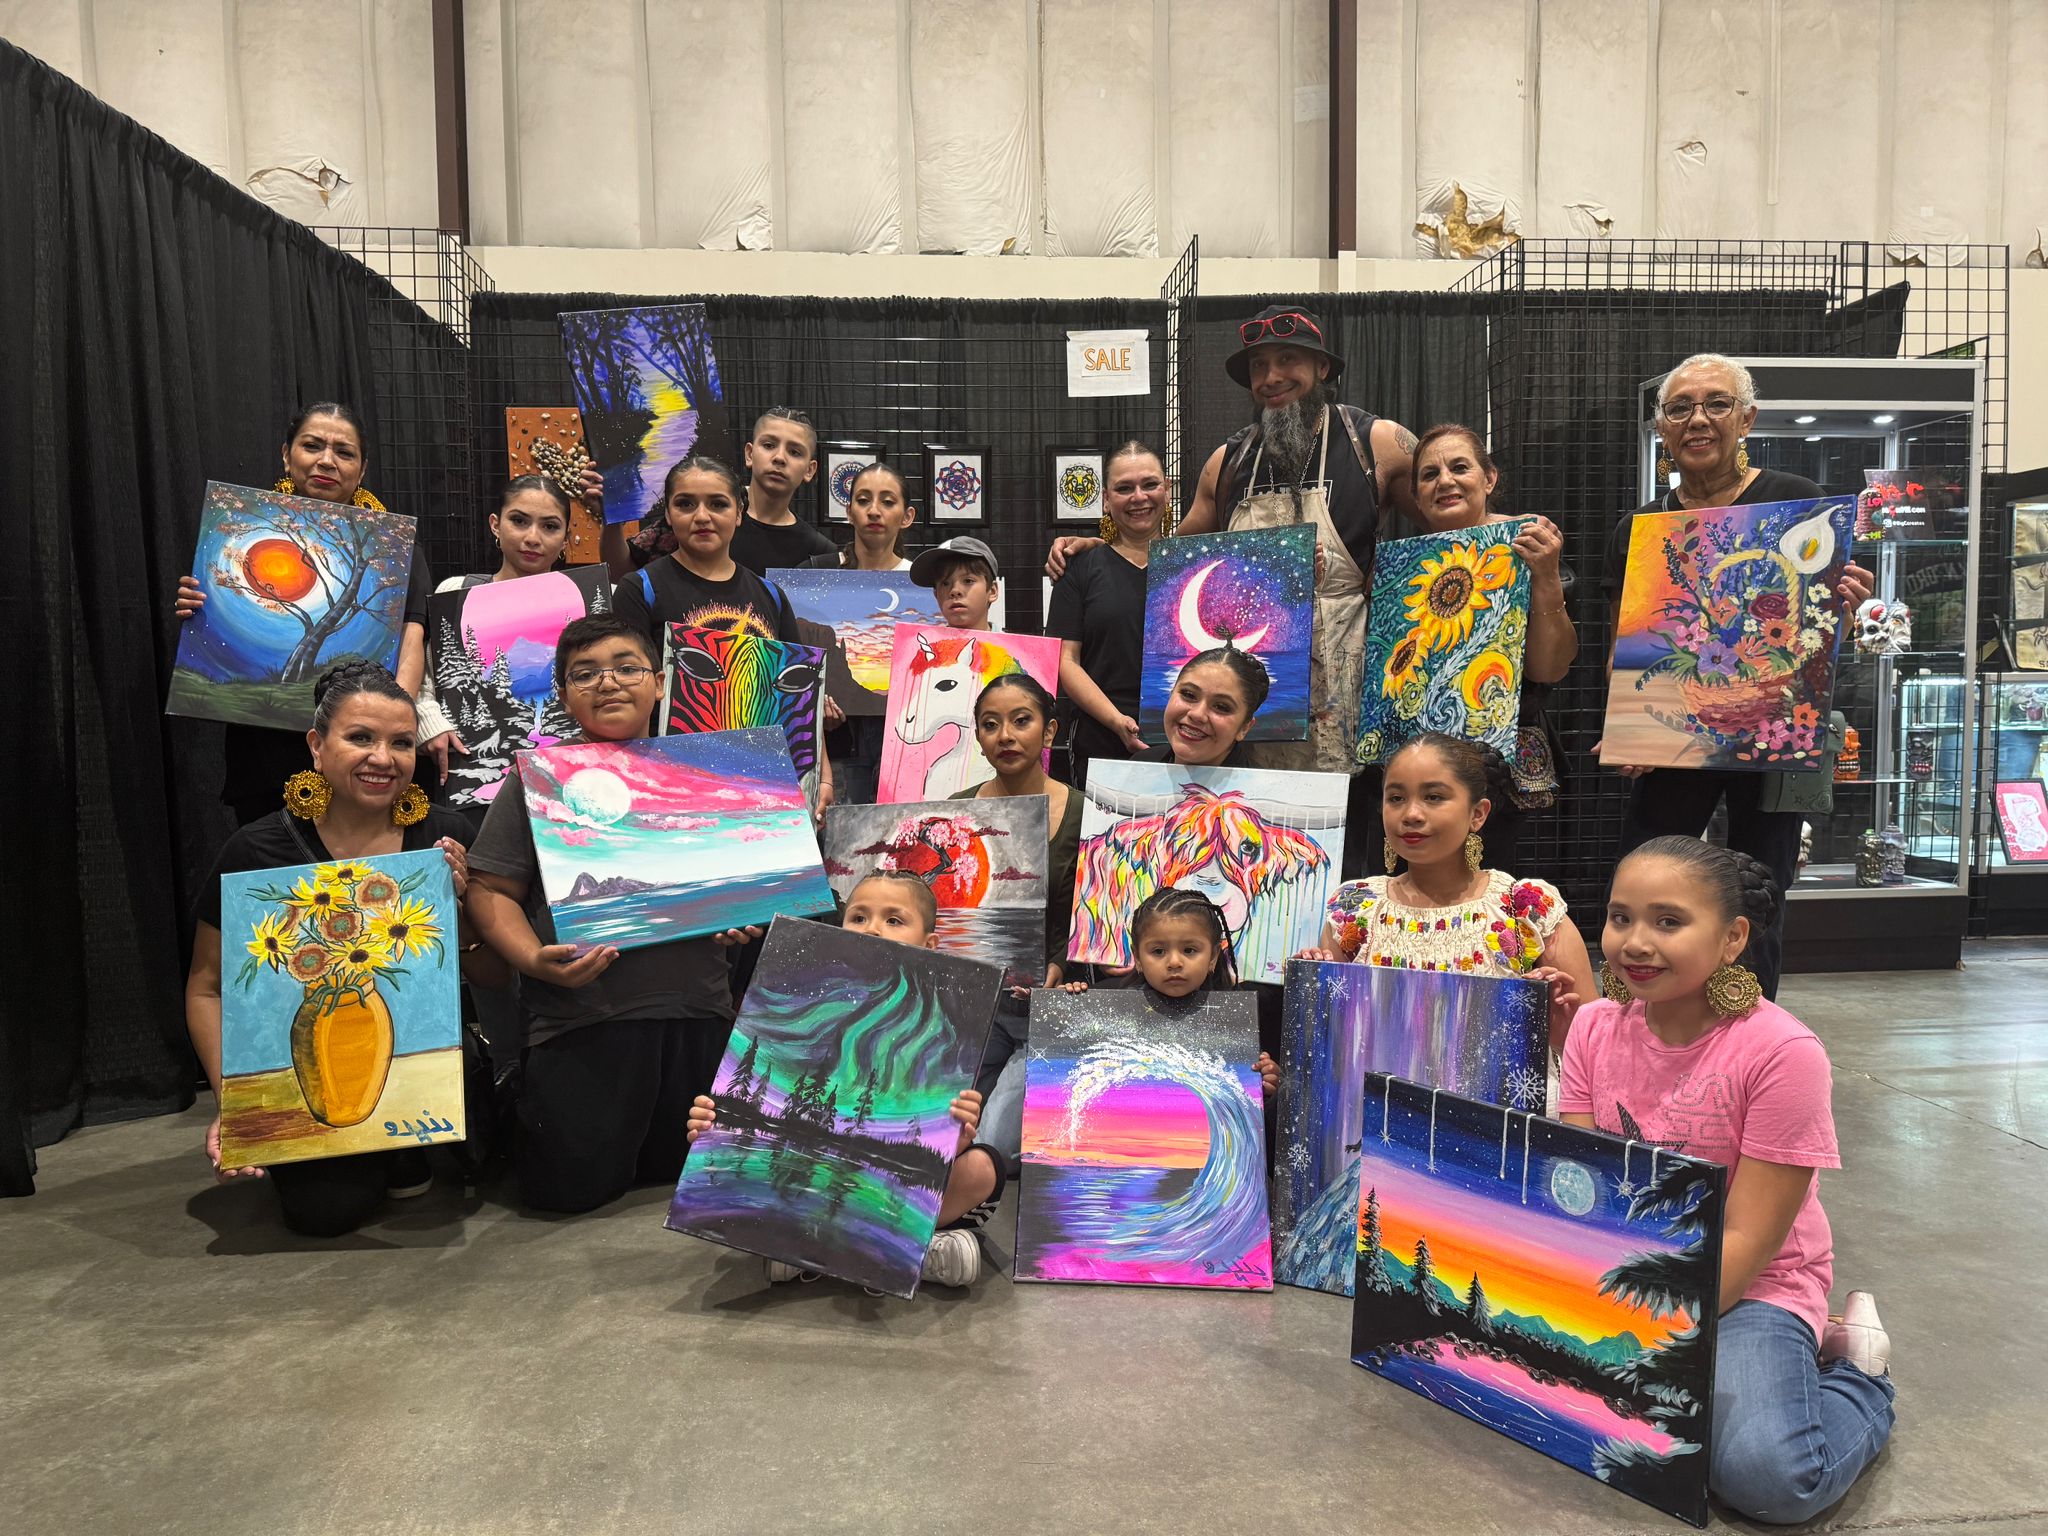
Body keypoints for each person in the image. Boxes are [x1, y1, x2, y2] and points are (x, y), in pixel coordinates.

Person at [1562, 836, 1894, 1524]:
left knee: (1768, 1478)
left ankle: (1859, 1373)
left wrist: (1629, 1342)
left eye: (1668, 921)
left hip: (1750, 1286)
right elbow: (1583, 1188)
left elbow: (1747, 1240)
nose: (1635, 942)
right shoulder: (1594, 1027)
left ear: (1733, 937)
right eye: (1621, 917)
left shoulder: (1782, 1053)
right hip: (1624, 1274)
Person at [1048, 305, 1418, 798]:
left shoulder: (1375, 443)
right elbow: (1171, 557)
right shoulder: (1228, 462)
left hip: (1343, 698)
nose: (1271, 377)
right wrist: (1106, 542)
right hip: (1247, 704)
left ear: (1323, 368)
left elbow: (1447, 526)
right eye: (1259, 367)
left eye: (1288, 360)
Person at [464, 615, 764, 1215]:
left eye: (627, 668)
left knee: (704, 1183)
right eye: (586, 674)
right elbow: (490, 889)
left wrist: (746, 917)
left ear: (659, 682)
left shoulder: (709, 771)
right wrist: (532, 961)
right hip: (585, 1018)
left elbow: (752, 887)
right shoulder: (534, 780)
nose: (609, 683)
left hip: (696, 1016)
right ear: (563, 693)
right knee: (562, 1192)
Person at [1600, 354, 1873, 999]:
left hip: (1775, 729)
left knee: (1760, 885)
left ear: (1746, 417)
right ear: (1661, 427)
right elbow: (1633, 646)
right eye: (1680, 408)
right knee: (1651, 873)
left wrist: (1850, 600)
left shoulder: (1797, 501)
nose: (1698, 419)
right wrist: (1628, 727)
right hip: (1674, 733)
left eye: (1716, 404)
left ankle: (1746, 1035)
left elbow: (1824, 625)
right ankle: (1647, 1021)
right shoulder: (1639, 529)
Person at [181, 661, 482, 1237]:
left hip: (425, 1066)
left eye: (401, 742)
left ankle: (405, 1147)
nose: (383, 758)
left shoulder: (443, 840)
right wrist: (235, 1103)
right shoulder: (257, 851)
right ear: (317, 746)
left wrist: (462, 908)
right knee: (325, 1214)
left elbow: (492, 976)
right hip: (318, 1058)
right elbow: (206, 987)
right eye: (360, 738)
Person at [685, 870, 1004, 1290]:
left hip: (893, 1189)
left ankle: (877, 1248)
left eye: (894, 920)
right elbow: (768, 1097)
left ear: (929, 944)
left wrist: (955, 1131)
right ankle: (843, 1248)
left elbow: (929, 1147)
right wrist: (717, 1124)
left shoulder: (943, 1024)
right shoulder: (802, 999)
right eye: (858, 917)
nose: (872, 928)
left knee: (984, 1167)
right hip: (812, 1170)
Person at [175, 403, 435, 825]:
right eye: (312, 446)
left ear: (362, 468)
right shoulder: (236, 530)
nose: (326, 461)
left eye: (344, 452)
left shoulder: (396, 547)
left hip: (365, 756)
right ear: (286, 454)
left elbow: (411, 641)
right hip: (264, 754)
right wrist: (200, 612)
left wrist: (388, 734)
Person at [1309, 732, 1594, 1061]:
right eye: (1396, 798)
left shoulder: (1526, 908)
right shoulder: (1354, 907)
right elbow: (1331, 1046)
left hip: (1498, 1109)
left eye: (1433, 797)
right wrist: (1313, 989)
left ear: (1478, 814)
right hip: (1380, 1107)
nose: (1411, 814)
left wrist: (1557, 1025)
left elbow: (1594, 1047)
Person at [1405, 425, 1577, 868]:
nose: (1444, 480)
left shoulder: (1530, 551)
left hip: (1497, 765)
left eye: (1459, 467)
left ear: (1489, 478)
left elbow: (1551, 668)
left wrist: (1546, 578)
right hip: (1417, 761)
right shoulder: (1398, 567)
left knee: (1487, 884)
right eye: (1429, 474)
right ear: (1417, 494)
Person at [949, 673, 1083, 1164]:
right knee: (942, 1132)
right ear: (980, 739)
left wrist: (1061, 963)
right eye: (990, 725)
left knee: (993, 1142)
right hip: (973, 1009)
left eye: (1021, 721)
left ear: (1048, 732)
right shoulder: (955, 813)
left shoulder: (1084, 814)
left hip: (1050, 1009)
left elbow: (1096, 913)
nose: (1005, 735)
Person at [414, 474, 575, 796]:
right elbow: (424, 679)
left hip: (570, 777)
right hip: (464, 772)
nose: (532, 537)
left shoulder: (586, 599)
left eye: (550, 526)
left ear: (566, 538)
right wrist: (431, 724)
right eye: (519, 521)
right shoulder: (456, 591)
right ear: (495, 525)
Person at [1047, 441, 1170, 786]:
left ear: (1167, 489)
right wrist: (1116, 720)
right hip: (1101, 741)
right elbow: (1065, 661)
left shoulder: (1192, 561)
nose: (1139, 497)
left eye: (1150, 484)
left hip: (1188, 740)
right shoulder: (1079, 567)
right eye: (1124, 488)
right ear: (1105, 499)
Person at [798, 461, 919, 806]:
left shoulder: (922, 581)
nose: (874, 510)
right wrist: (813, 704)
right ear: (849, 511)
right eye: (863, 500)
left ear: (906, 516)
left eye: (888, 501)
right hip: (835, 746)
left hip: (901, 745)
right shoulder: (816, 573)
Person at [728, 407, 836, 575]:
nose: (779, 458)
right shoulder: (714, 522)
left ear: (810, 470)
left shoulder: (820, 552)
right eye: (769, 445)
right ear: (749, 454)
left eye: (794, 452)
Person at [1136, 646, 1269, 769]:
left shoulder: (1265, 792)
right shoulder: (1139, 765)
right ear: (1171, 693)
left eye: (1221, 707)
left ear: (1244, 728)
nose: (1197, 714)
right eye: (1189, 694)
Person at [909, 535, 1001, 632]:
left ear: (992, 591)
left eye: (968, 581)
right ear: (936, 594)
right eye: (945, 583)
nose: (955, 591)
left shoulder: (1014, 647)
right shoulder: (920, 646)